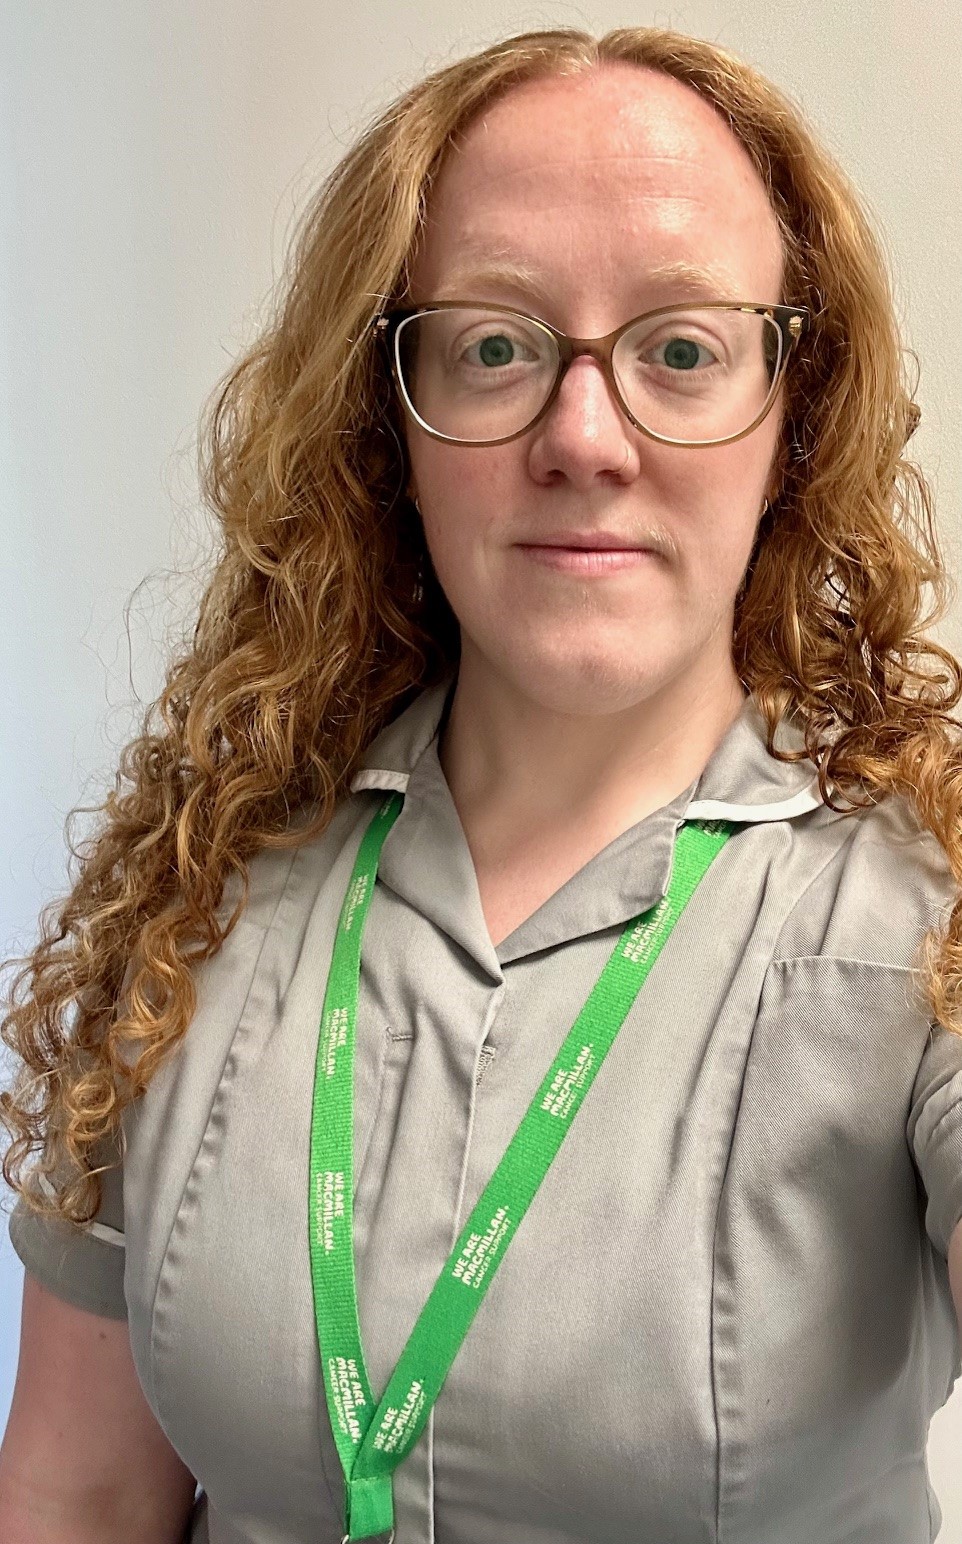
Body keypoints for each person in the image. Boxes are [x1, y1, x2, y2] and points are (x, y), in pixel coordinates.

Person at [1, 23, 961, 1544]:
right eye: (496, 346)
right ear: (389, 417)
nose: (584, 439)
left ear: (792, 414)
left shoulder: (929, 924)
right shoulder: (196, 893)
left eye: (682, 350)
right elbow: (80, 1491)